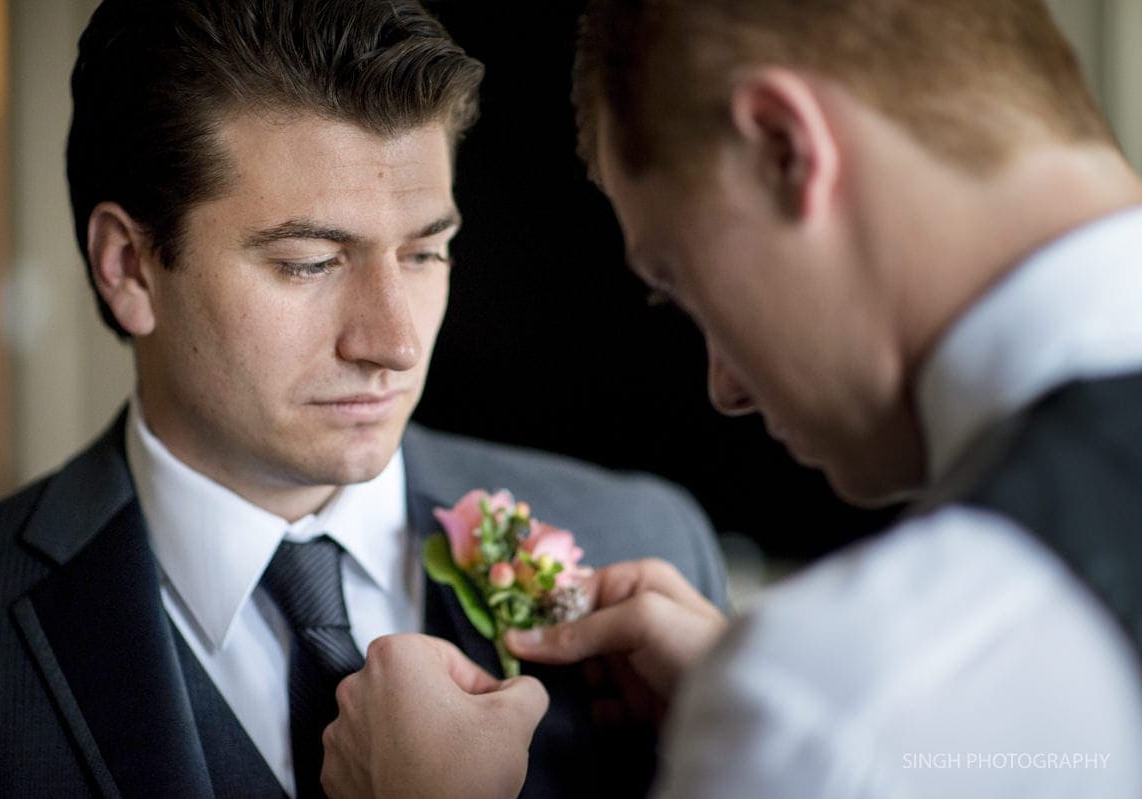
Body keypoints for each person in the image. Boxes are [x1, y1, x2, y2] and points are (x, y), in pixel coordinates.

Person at [320, 0, 1142, 796]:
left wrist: (775, 732)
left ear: (784, 149)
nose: (725, 386)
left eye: (677, 282)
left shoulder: (843, 704)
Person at [0, 1, 728, 797]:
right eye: (311, 261)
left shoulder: (648, 547)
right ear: (130, 268)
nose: (394, 342)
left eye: (425, 252)